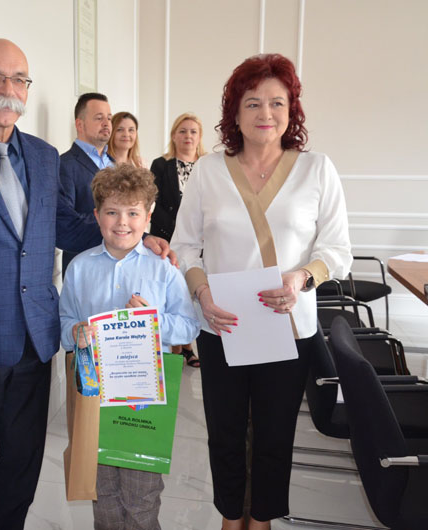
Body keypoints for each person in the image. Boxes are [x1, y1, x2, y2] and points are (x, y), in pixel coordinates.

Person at [0, 39, 173, 530]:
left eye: (19, 79)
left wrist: (134, 234)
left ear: (27, 89)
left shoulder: (45, 158)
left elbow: (65, 227)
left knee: (23, 466)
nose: (8, 88)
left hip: (34, 344)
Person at [171, 53, 351, 530]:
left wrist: (303, 277)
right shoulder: (209, 170)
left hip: (287, 327)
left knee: (275, 434)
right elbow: (184, 245)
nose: (265, 113)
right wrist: (201, 292)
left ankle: (263, 519)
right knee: (224, 432)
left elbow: (338, 250)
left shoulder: (317, 169)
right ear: (235, 112)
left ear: (292, 110)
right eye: (252, 103)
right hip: (222, 324)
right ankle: (231, 516)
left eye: (277, 102)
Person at [60, 164, 200, 530]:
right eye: (112, 212)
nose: (122, 222)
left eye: (133, 213)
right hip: (94, 396)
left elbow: (188, 325)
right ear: (97, 216)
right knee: (102, 491)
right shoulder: (79, 268)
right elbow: (64, 323)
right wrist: (76, 331)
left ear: (148, 216)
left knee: (141, 496)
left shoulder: (164, 269)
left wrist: (151, 320)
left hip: (145, 400)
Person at [150, 113, 207, 367]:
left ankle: (191, 344)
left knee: (196, 290)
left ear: (199, 136)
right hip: (167, 240)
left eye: (193, 131)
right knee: (173, 293)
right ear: (174, 135)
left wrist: (197, 232)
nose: (188, 136)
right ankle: (179, 348)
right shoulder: (161, 165)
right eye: (182, 131)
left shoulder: (208, 166)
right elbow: (154, 202)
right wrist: (179, 231)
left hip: (201, 242)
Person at [59, 93, 114, 273]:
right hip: (85, 268)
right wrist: (113, 223)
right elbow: (66, 224)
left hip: (120, 265)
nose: (106, 123)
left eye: (109, 118)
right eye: (99, 118)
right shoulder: (64, 165)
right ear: (79, 124)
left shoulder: (115, 165)